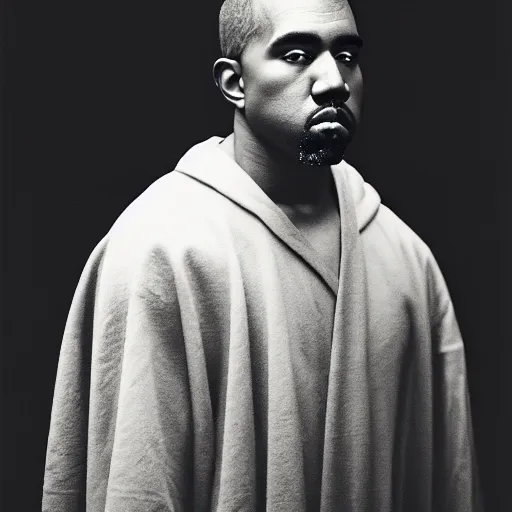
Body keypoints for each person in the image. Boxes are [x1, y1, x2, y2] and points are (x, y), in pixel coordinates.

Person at [42, 0, 483, 510]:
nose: (334, 80)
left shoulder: (407, 261)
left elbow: (452, 482)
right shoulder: (160, 249)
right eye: (297, 54)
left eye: (346, 55)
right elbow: (136, 488)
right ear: (235, 82)